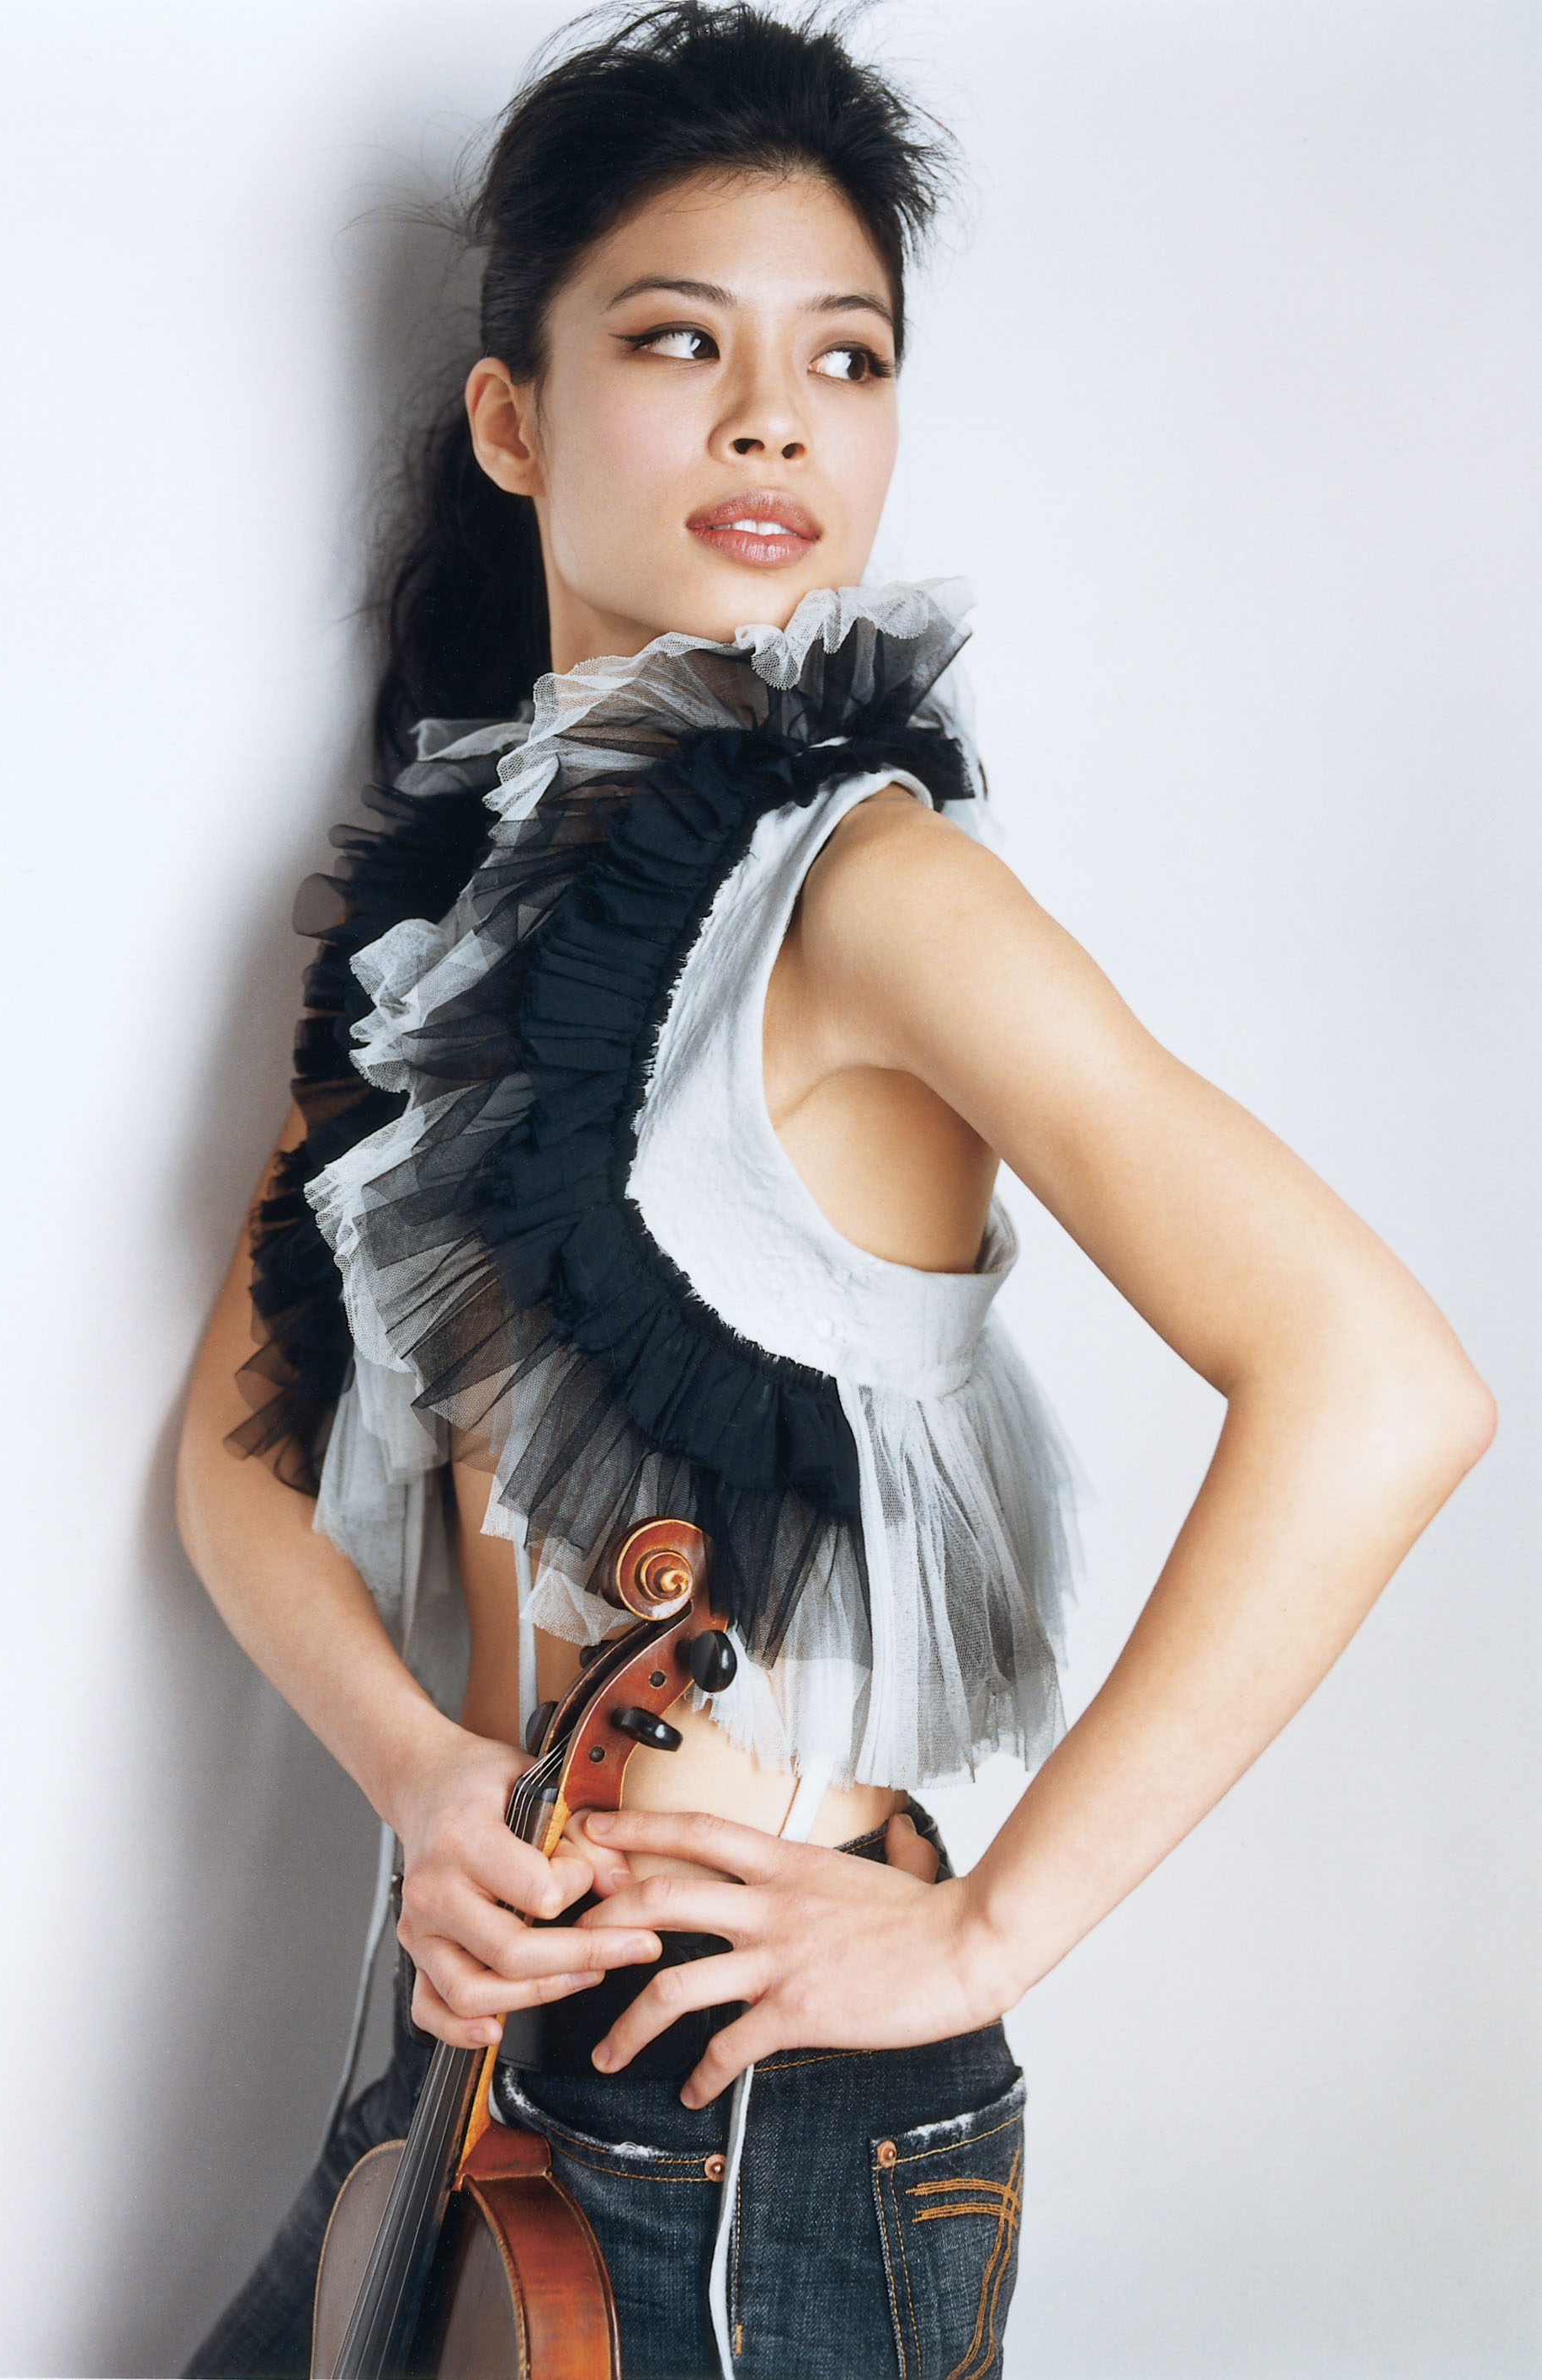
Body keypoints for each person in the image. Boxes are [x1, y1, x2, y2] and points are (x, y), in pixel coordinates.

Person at [173, 7, 1495, 2376]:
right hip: (457, 2041)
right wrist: (422, 1770)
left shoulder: (874, 895)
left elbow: (1381, 1382)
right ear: (510, 420)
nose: (776, 416)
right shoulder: (435, 914)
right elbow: (236, 1455)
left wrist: (987, 1934)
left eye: (847, 356)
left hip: (757, 2107)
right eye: (681, 339)